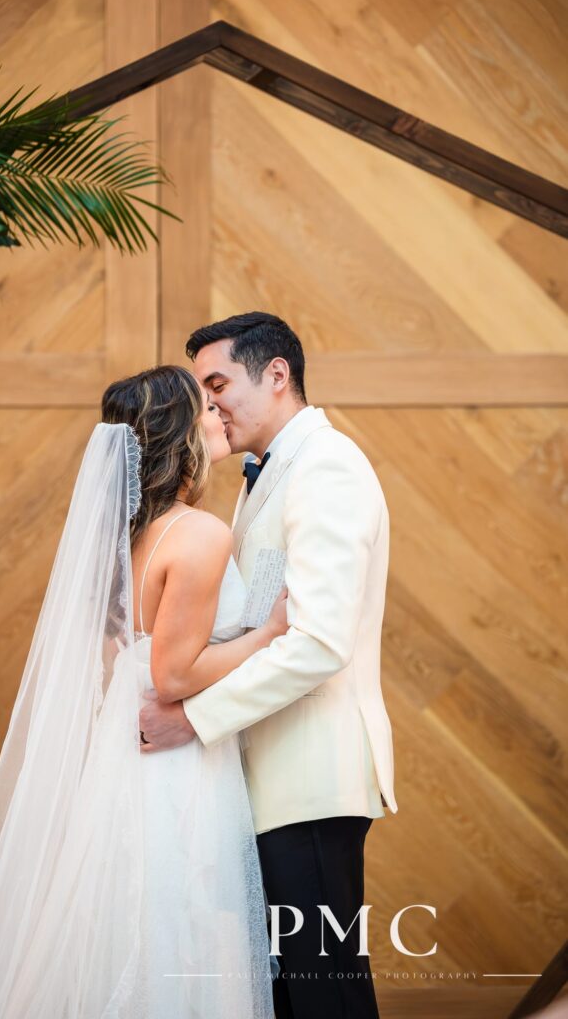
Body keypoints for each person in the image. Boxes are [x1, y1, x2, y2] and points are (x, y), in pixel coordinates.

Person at [0, 365, 286, 1018]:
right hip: (177, 764)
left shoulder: (126, 536)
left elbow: (129, 654)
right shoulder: (198, 533)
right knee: (180, 918)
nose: (220, 415)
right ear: (179, 434)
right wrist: (270, 633)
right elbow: (173, 674)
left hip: (124, 754)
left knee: (123, 917)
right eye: (206, 408)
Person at [139, 311, 398, 1019]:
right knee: (291, 995)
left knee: (326, 994)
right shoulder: (265, 478)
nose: (209, 402)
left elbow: (316, 640)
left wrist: (193, 716)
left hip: (309, 775)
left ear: (276, 374)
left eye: (218, 383)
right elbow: (265, 622)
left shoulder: (329, 466)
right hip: (270, 775)